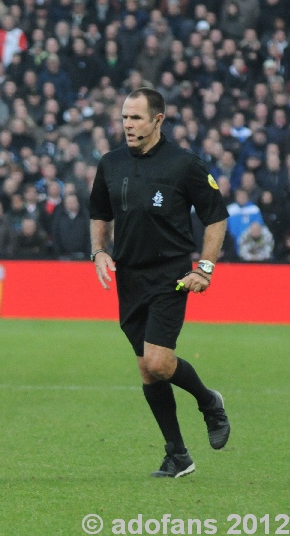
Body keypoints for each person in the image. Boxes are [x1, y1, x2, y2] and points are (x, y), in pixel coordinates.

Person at [89, 88, 231, 478]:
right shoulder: (110, 163)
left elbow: (216, 215)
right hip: (129, 276)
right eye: (124, 118)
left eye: (136, 118)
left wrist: (204, 268)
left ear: (158, 120)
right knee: (146, 369)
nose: (128, 125)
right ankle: (178, 455)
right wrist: (98, 251)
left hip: (171, 276)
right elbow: (99, 211)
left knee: (158, 360)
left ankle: (208, 402)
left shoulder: (184, 164)